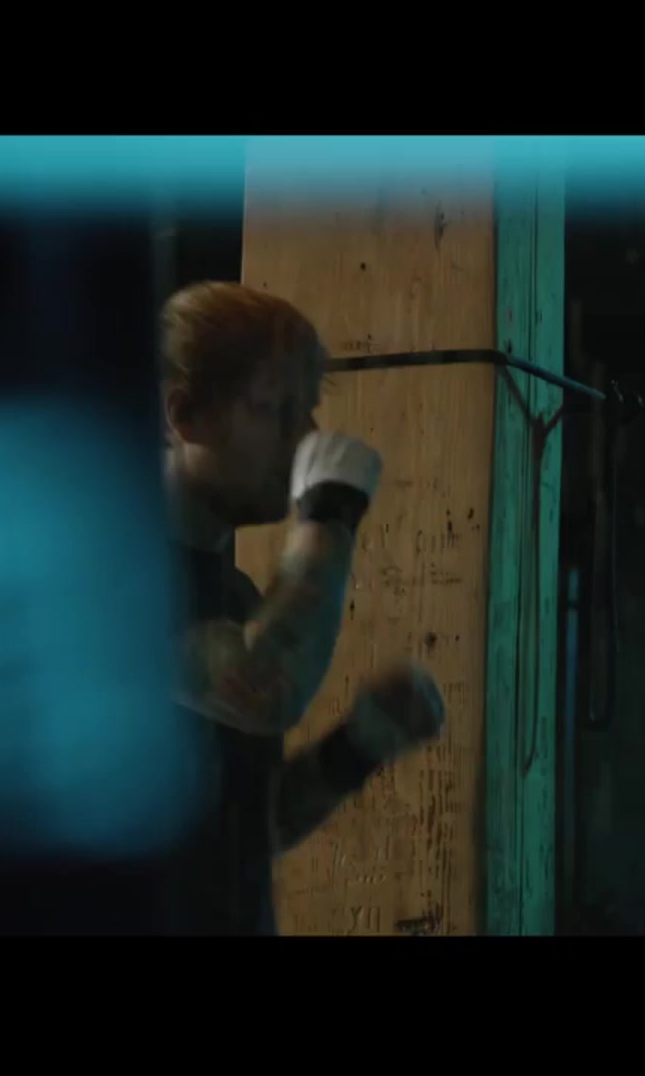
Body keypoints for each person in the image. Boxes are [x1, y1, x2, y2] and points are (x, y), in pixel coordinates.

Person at [157, 281, 446, 935]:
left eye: (307, 410)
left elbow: (245, 839)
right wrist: (330, 513)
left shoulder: (234, 597)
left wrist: (356, 748)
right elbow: (262, 689)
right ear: (187, 415)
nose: (307, 436)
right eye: (275, 409)